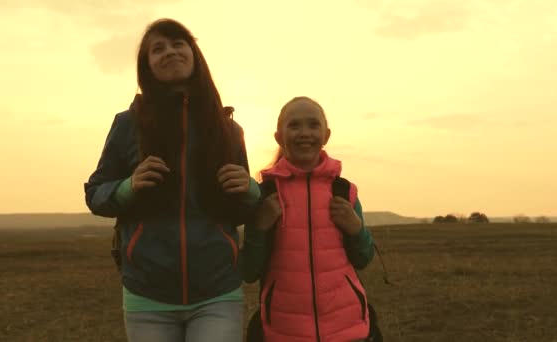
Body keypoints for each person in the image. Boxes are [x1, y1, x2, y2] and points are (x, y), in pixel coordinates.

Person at [84, 18, 259, 342]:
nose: (169, 52)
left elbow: (241, 211)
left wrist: (251, 191)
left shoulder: (228, 130)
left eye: (178, 43)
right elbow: (96, 193)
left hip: (218, 292)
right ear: (146, 65)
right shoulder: (127, 124)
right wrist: (126, 188)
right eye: (157, 49)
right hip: (147, 295)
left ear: (194, 54)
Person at [240, 96, 375, 341]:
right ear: (279, 137)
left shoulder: (344, 191)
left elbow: (363, 258)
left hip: (347, 330)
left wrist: (357, 230)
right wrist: (260, 227)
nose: (304, 133)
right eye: (294, 125)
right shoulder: (266, 194)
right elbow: (249, 271)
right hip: (284, 332)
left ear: (326, 135)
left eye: (313, 125)